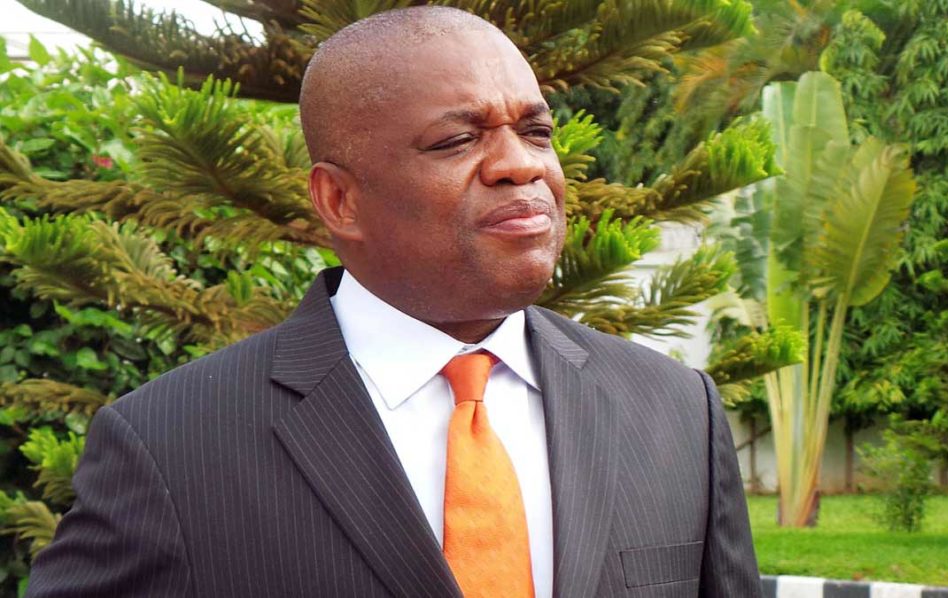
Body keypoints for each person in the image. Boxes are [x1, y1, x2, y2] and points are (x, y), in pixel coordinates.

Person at [25, 6, 761, 597]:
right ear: (339, 201)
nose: (520, 165)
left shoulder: (675, 410)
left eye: (536, 131)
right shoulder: (171, 443)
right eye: (456, 140)